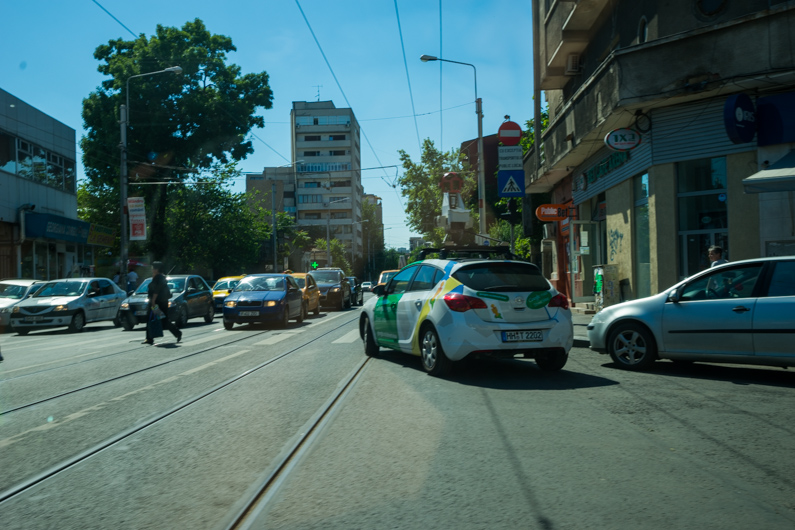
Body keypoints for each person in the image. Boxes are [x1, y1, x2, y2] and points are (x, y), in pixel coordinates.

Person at [144, 261, 181, 345]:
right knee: (151, 318)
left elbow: (156, 290)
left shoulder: (159, 278)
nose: (152, 269)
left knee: (162, 320)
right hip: (159, 302)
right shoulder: (159, 277)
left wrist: (153, 301)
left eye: (153, 268)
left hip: (158, 303)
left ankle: (177, 333)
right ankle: (149, 338)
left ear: (156, 269)